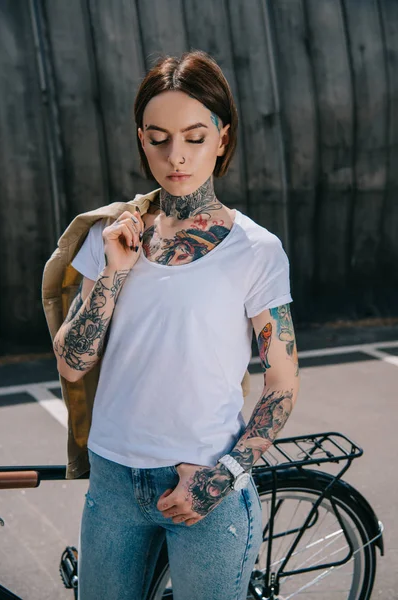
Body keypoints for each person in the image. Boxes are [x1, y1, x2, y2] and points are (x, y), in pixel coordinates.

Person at [53, 50, 300, 600]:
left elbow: (281, 385)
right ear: (142, 139)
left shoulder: (255, 251)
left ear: (222, 136)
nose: (176, 155)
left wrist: (225, 475)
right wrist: (115, 273)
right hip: (114, 481)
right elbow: (72, 362)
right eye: (158, 137)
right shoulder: (114, 236)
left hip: (206, 482)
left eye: (194, 136)